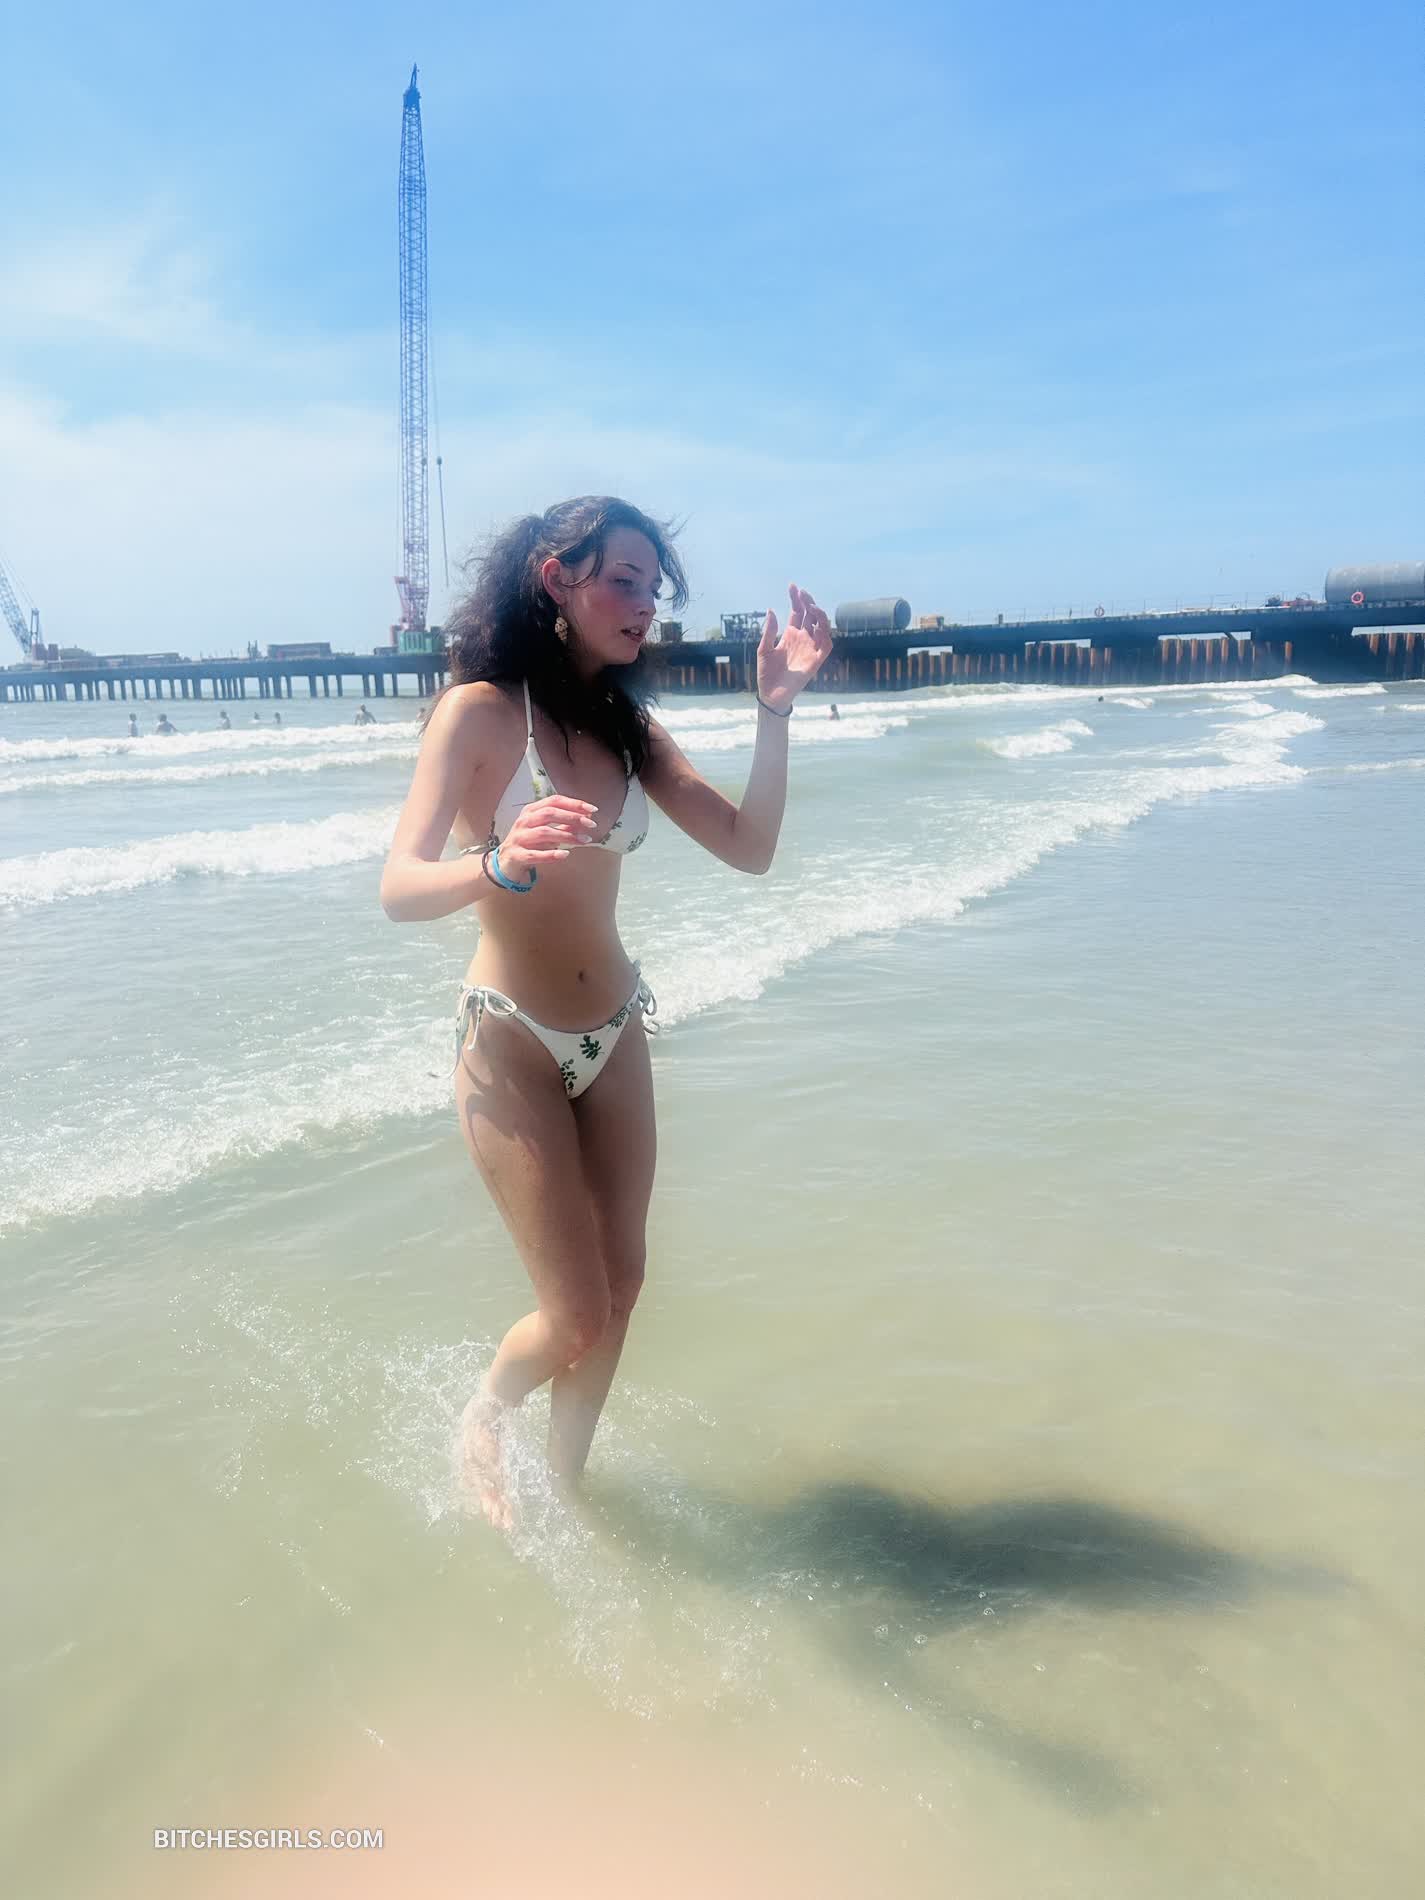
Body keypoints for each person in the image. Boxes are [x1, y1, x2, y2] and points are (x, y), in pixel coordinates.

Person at [380, 497, 831, 1530]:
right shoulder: (480, 714)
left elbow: (751, 848)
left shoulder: (629, 729)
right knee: (573, 1310)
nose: (642, 606)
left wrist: (773, 712)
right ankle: (485, 1413)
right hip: (511, 1037)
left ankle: (568, 1488)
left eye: (651, 588)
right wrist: (495, 862)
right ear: (557, 579)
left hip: (616, 1030)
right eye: (622, 580)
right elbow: (399, 886)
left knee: (622, 1290)